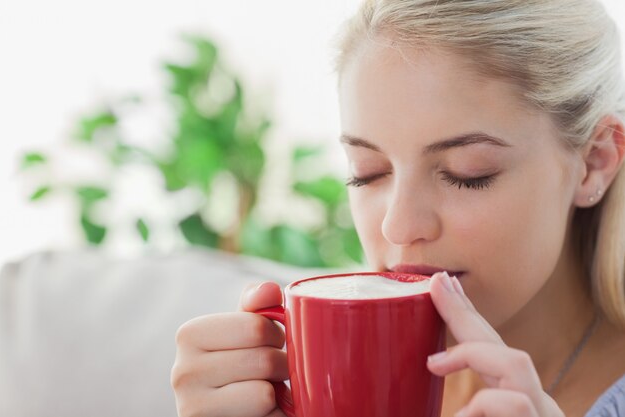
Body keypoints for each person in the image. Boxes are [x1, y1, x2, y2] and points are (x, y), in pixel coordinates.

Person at [171, 0, 625, 416]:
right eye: (367, 172)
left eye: (466, 173)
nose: (398, 226)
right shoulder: (328, 378)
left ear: (593, 163)